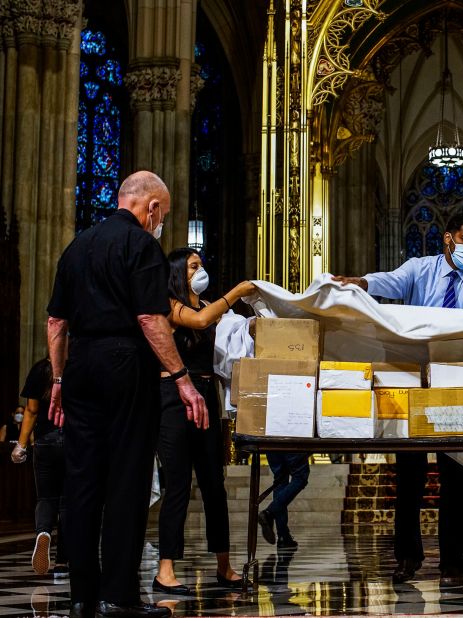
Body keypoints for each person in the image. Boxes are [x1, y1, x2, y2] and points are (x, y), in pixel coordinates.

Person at [334, 213, 463, 588]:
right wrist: (362, 282)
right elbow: (392, 280)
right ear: (448, 238)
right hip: (413, 383)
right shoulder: (420, 269)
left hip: (457, 387)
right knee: (409, 478)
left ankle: (453, 561)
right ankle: (407, 557)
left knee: (455, 478)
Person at [47, 171, 207, 618]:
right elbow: (150, 319)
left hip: (81, 365)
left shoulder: (77, 246)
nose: (161, 225)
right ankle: (118, 596)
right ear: (151, 208)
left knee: (81, 481)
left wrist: (58, 380)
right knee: (127, 479)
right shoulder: (141, 246)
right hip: (125, 363)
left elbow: (56, 324)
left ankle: (82, 597)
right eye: (163, 216)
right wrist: (181, 377)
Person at [153, 248, 256, 595]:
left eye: (202, 264)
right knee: (179, 483)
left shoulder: (207, 307)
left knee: (215, 484)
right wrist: (236, 294)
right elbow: (198, 322)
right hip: (173, 395)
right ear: (179, 272)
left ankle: (224, 565)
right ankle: (165, 569)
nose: (201, 270)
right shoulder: (168, 304)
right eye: (194, 266)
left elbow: (227, 332)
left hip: (206, 394)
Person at [12, 357, 68, 578]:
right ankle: (63, 561)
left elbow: (32, 411)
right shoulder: (79, 365)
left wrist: (21, 445)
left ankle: (43, 532)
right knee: (68, 502)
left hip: (45, 441)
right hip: (75, 443)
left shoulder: (40, 369)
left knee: (45, 498)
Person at [257, 453, 310, 551]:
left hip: (271, 443)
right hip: (291, 441)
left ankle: (283, 536)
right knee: (300, 476)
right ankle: (269, 513)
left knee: (280, 480)